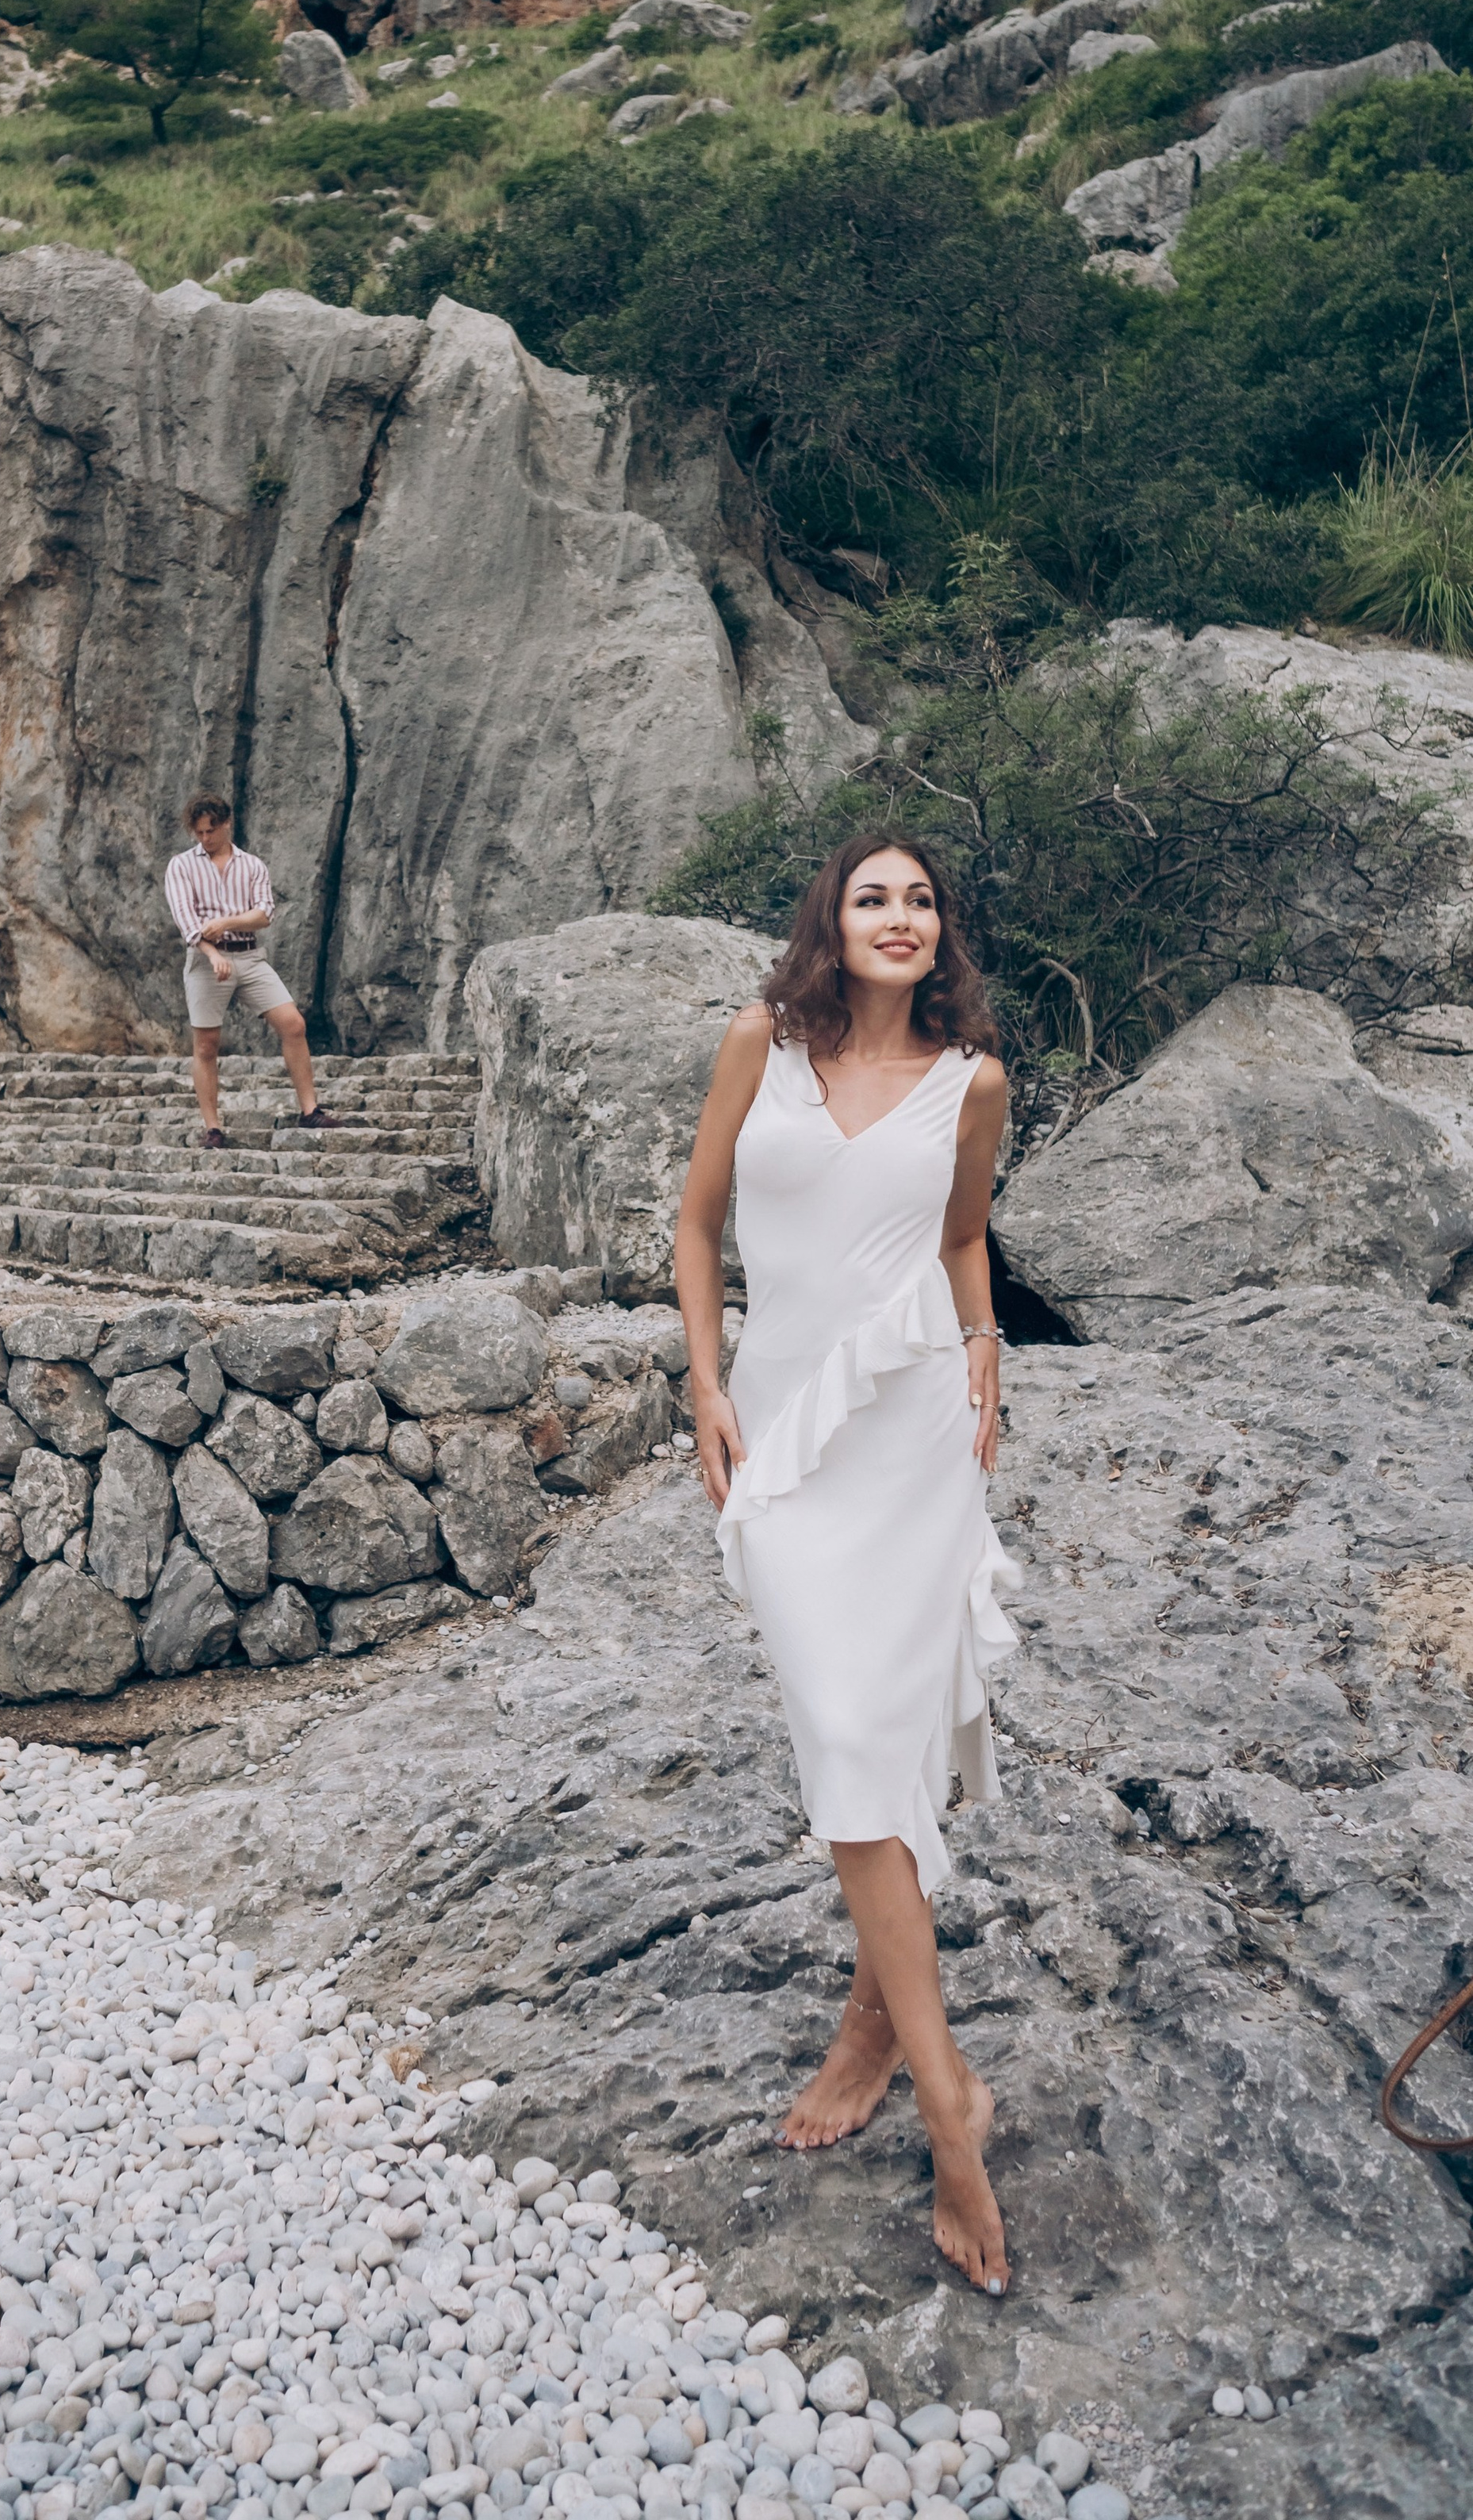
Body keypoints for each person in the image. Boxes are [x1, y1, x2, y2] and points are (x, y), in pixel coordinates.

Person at [673, 830, 1019, 2298]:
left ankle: (918, 2075)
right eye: (873, 896)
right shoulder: (760, 1041)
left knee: (883, 1744)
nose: (899, 916)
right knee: (842, 1730)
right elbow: (698, 1223)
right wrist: (705, 1384)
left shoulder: (973, 1082)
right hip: (786, 1435)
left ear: (941, 934)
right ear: (834, 919)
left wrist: (986, 1341)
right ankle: (944, 2084)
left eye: (920, 900)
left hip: (915, 1428)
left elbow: (962, 1236)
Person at [163, 795, 340, 1145]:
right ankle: (213, 1128)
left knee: (293, 1023)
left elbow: (264, 914)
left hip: (249, 955)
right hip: (205, 960)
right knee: (206, 1044)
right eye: (199, 832)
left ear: (227, 824)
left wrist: (226, 922)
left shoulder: (252, 866)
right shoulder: (181, 865)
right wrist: (212, 952)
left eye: (211, 830)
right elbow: (186, 920)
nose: (205, 838)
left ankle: (310, 1110)